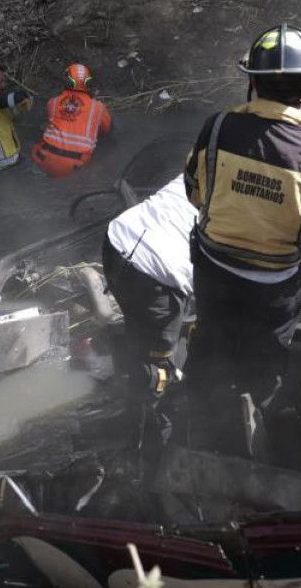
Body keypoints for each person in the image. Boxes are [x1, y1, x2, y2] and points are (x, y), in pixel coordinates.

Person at [181, 23, 301, 458]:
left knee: (210, 346)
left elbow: (195, 192)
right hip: (275, 288)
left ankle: (189, 435)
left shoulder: (216, 128)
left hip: (214, 271)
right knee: (266, 365)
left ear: (252, 81)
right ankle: (257, 447)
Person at [101, 176, 198, 468]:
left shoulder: (205, 160)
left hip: (117, 244)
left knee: (140, 340)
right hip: (156, 274)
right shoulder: (248, 203)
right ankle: (149, 455)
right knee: (157, 372)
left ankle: (133, 398)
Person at [32, 63, 112, 177]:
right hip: (75, 168)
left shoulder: (52, 103)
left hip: (44, 160)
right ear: (88, 83)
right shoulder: (99, 108)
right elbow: (106, 131)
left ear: (66, 81)